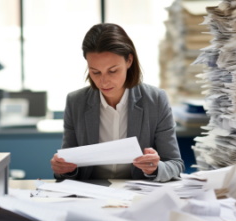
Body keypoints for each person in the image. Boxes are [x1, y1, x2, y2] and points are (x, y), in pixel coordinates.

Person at [51, 23, 184, 182]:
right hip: (92, 195)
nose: (103, 81)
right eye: (95, 72)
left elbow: (175, 165)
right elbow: (67, 168)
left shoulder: (155, 100)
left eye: (113, 71)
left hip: (137, 195)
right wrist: (63, 169)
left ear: (129, 60)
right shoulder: (76, 102)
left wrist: (155, 168)